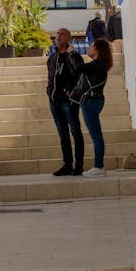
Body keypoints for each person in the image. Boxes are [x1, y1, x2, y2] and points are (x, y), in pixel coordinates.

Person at [70, 38, 113, 177]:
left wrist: (73, 53)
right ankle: (98, 166)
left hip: (91, 102)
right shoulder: (99, 64)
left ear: (97, 50)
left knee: (96, 136)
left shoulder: (98, 64)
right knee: (96, 135)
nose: (89, 48)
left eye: (91, 46)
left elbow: (79, 67)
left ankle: (99, 167)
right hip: (93, 101)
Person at [47, 28, 84, 176]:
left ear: (69, 38)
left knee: (75, 132)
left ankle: (79, 165)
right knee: (63, 134)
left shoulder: (74, 56)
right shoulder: (52, 57)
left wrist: (71, 91)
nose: (58, 37)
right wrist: (49, 91)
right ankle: (67, 164)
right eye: (57, 34)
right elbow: (50, 76)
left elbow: (81, 75)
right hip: (54, 101)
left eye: (62, 34)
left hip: (68, 101)